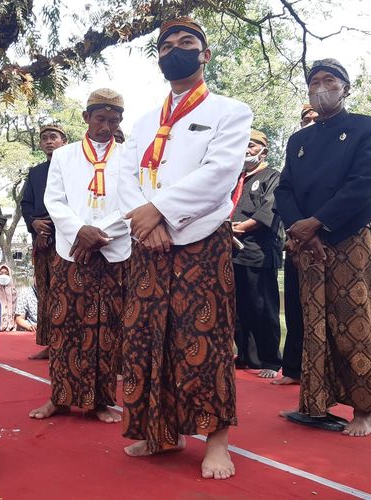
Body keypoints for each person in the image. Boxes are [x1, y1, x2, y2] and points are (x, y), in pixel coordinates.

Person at [117, 18, 252, 479]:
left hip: (199, 239)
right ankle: (158, 432)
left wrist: (161, 212)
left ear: (205, 54)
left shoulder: (231, 111)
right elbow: (124, 178)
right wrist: (146, 220)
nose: (176, 50)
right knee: (144, 336)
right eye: (167, 45)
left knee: (204, 338)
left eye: (187, 43)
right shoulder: (141, 122)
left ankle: (217, 442)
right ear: (158, 59)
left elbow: (219, 174)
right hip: (148, 241)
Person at [275, 59, 371, 437]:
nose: (321, 88)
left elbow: (363, 183)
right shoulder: (298, 140)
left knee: (352, 322)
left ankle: (363, 410)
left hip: (346, 237)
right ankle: (315, 403)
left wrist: (318, 223)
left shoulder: (366, 128)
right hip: (307, 244)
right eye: (314, 82)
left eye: (329, 81)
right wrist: (300, 228)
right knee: (312, 324)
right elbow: (284, 190)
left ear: (346, 88)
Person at [29, 87, 130, 424]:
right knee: (65, 324)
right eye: (100, 118)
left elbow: (133, 202)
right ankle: (59, 397)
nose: (106, 126)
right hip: (71, 249)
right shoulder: (65, 156)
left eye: (113, 120)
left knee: (107, 327)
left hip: (112, 248)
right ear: (86, 117)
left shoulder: (129, 156)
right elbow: (54, 201)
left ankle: (100, 401)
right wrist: (79, 231)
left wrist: (99, 232)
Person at [231, 130, 284, 379]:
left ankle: (270, 360)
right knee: (237, 307)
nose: (246, 150)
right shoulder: (235, 178)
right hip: (231, 251)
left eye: (251, 146)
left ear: (264, 150)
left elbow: (270, 211)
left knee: (262, 305)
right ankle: (245, 355)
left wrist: (241, 227)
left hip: (257, 251)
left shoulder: (272, 177)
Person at [274, 105, 317, 387]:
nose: (309, 123)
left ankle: (323, 375)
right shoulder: (296, 151)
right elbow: (284, 192)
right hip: (296, 240)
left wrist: (318, 225)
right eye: (305, 120)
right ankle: (292, 369)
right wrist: (295, 231)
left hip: (330, 236)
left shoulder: (346, 145)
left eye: (314, 119)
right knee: (294, 307)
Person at [21, 123, 68, 359]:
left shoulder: (74, 167)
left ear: (64, 141)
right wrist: (34, 224)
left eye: (54, 137)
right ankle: (50, 343)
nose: (49, 141)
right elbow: (26, 204)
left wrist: (51, 225)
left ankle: (66, 344)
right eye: (44, 138)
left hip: (65, 236)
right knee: (46, 290)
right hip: (40, 237)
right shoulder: (36, 172)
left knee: (64, 290)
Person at [0, 264, 18, 331]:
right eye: (1, 273)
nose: (3, 276)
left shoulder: (13, 290)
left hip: (10, 328)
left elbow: (15, 307)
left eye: (6, 273)